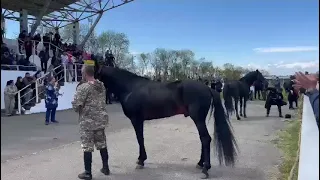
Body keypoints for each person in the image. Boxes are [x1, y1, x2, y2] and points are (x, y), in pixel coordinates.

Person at [71, 65, 110, 180]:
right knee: (102, 144)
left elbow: (76, 106)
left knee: (87, 147)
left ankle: (88, 172)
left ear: (84, 73)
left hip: (88, 122)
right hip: (100, 120)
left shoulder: (83, 87)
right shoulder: (101, 85)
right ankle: (106, 168)